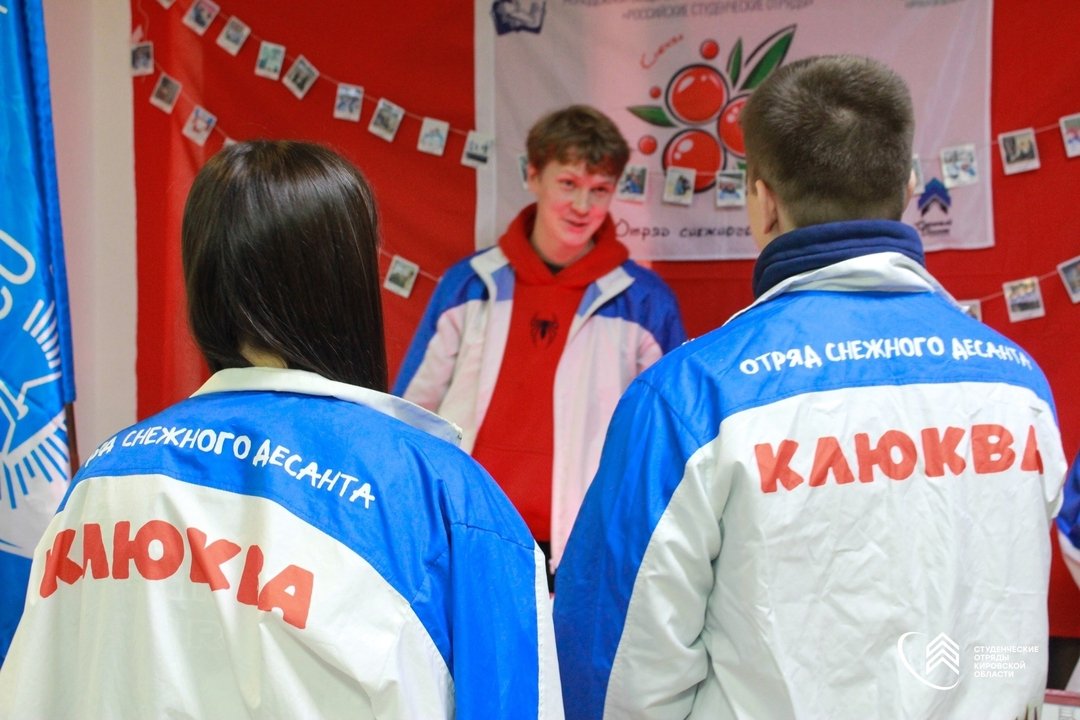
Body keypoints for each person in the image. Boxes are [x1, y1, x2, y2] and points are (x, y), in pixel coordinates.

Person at [553, 56, 1066, 719]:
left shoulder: (690, 397)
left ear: (762, 202)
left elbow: (612, 665)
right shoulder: (1018, 382)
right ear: (910, 187)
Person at [0, 141, 563, 719]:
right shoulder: (442, 496)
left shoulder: (102, 477)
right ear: (348, 280)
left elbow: (29, 699)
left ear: (202, 277)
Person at [393, 105, 686, 587]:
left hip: (581, 545)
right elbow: (411, 411)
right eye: (568, 184)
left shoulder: (646, 302)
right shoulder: (469, 283)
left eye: (599, 190)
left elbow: (662, 438)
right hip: (464, 529)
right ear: (533, 176)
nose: (582, 206)